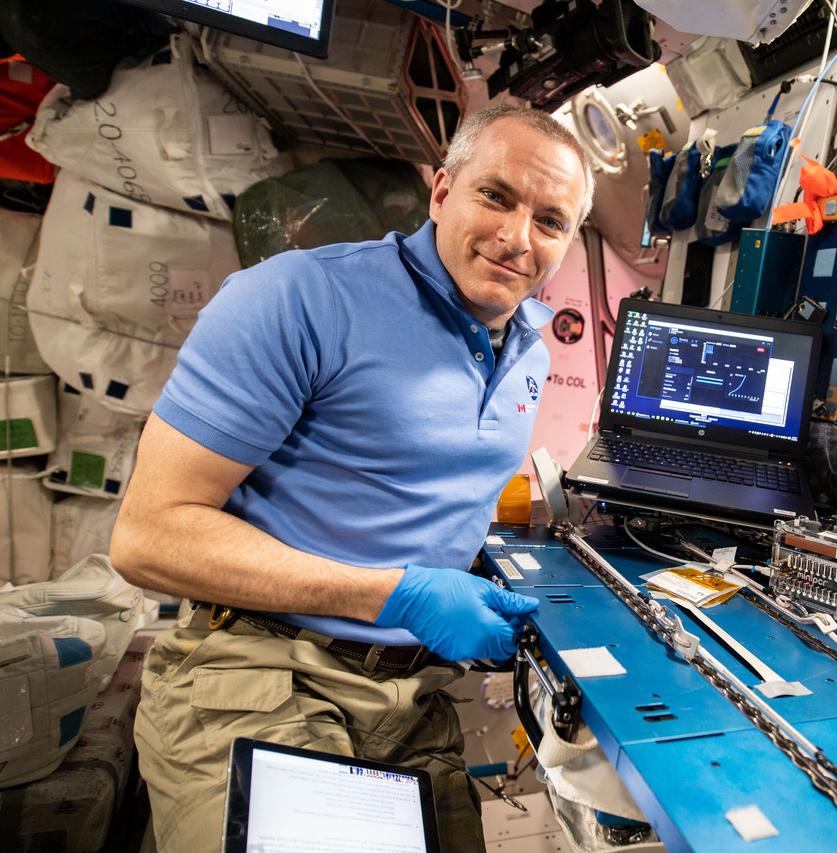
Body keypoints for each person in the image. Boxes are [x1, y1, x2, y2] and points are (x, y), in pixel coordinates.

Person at [110, 104, 595, 852]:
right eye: (495, 196)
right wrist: (397, 593)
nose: (516, 238)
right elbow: (147, 538)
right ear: (441, 192)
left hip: (412, 702)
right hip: (260, 673)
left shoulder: (529, 350)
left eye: (551, 221)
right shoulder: (298, 299)